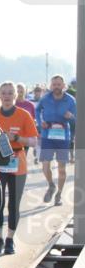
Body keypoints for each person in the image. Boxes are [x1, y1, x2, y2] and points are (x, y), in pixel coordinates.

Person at [0, 81, 38, 255]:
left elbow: (34, 141)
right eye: (3, 93)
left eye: (10, 93)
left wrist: (17, 137)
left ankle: (10, 240)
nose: (7, 96)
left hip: (17, 161)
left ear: (16, 95)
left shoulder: (24, 115)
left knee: (13, 204)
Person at [35, 74, 77, 206]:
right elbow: (37, 110)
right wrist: (41, 122)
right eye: (54, 85)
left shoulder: (70, 100)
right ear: (50, 86)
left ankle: (59, 194)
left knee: (62, 168)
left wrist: (71, 117)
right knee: (46, 165)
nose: (56, 87)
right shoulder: (45, 98)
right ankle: (51, 185)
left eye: (59, 84)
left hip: (63, 135)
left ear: (63, 86)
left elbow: (76, 118)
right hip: (48, 134)